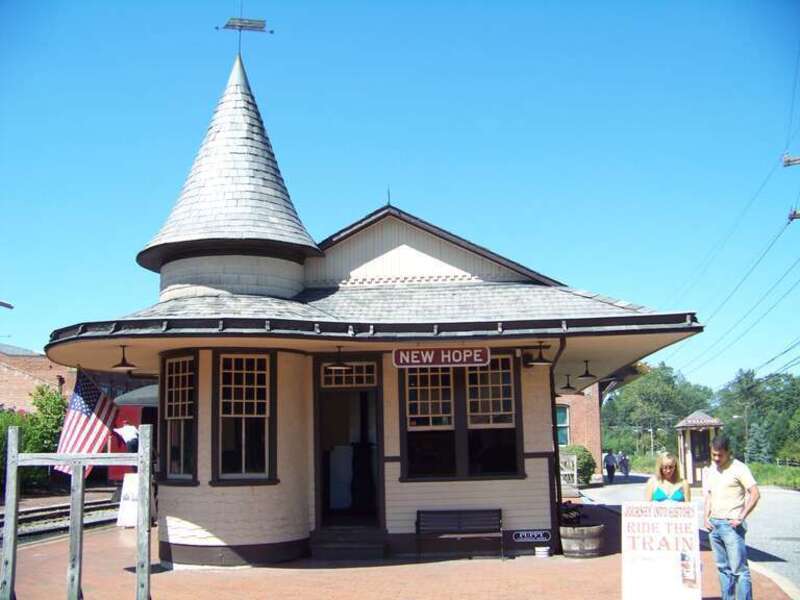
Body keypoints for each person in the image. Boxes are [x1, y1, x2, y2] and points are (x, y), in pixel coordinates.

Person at [704, 434, 760, 600]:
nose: (716, 458)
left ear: (728, 452)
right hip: (714, 525)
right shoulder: (712, 469)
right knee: (722, 568)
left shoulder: (739, 468)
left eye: (720, 455)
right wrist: (705, 517)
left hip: (732, 526)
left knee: (739, 570)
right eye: (713, 454)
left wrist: (741, 517)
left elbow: (755, 493)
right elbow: (708, 494)